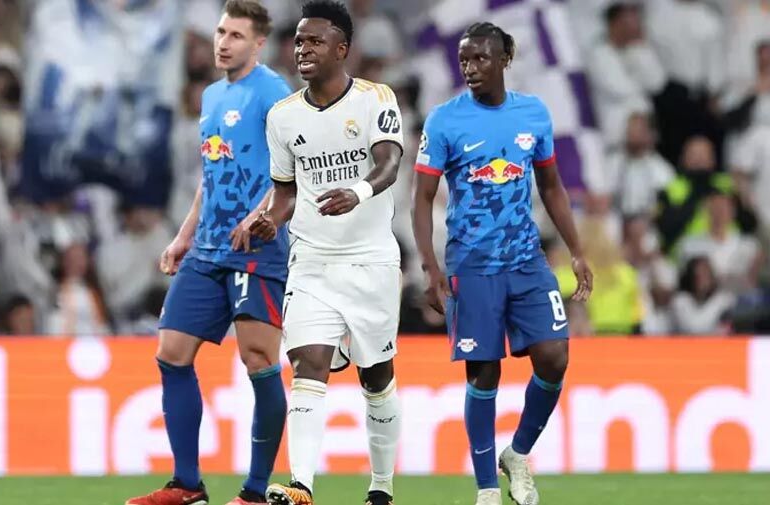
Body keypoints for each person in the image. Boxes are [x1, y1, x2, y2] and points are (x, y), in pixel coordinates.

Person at [412, 22, 593, 505]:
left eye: (480, 58)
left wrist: (576, 250)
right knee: (483, 373)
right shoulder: (444, 120)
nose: (470, 68)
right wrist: (430, 268)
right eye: (464, 60)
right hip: (472, 265)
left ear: (504, 59)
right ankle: (488, 489)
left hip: (526, 259)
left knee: (554, 357)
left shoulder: (533, 113)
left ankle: (518, 453)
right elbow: (422, 197)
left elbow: (551, 185)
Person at [125, 2, 292, 505]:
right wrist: (184, 234)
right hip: (208, 248)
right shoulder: (212, 95)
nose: (223, 42)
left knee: (258, 359)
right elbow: (211, 173)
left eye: (236, 35)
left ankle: (255, 492)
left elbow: (293, 169)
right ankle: (187, 485)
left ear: (258, 43)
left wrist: (260, 214)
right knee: (171, 353)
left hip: (257, 248)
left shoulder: (274, 93)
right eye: (221, 32)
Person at [248, 2, 404, 504]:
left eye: (314, 41)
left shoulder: (376, 99)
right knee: (308, 361)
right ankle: (301, 486)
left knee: (376, 377)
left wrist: (356, 193)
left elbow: (389, 164)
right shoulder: (282, 117)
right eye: (298, 42)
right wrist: (270, 218)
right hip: (312, 261)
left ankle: (381, 488)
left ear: (342, 48)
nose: (303, 50)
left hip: (370, 260)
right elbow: (285, 192)